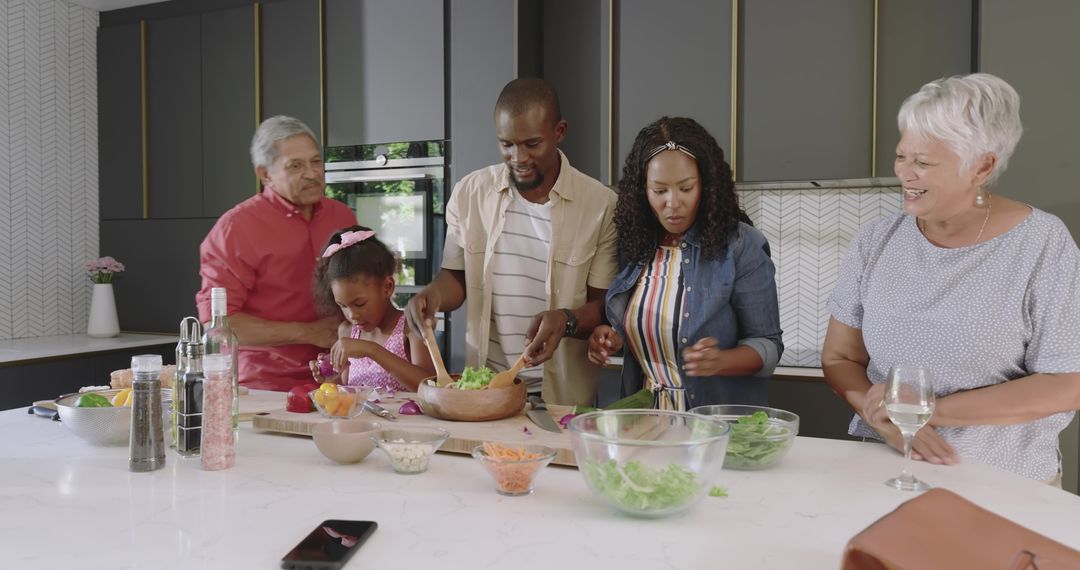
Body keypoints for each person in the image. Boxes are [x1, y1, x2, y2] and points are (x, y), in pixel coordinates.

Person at [822, 73, 1080, 484]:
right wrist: (878, 414)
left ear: (982, 166)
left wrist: (923, 411)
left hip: (1005, 486)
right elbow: (840, 358)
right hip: (885, 473)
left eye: (923, 163)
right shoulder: (876, 240)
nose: (905, 174)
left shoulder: (1042, 244)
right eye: (902, 156)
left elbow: (1068, 383)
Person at [405, 78, 618, 406]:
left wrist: (566, 319)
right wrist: (431, 297)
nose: (518, 157)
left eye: (532, 144)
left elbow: (603, 305)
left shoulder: (600, 205)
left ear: (559, 132)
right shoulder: (470, 193)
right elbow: (454, 278)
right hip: (487, 390)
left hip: (562, 398)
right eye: (506, 144)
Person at [587, 117, 783, 410]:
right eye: (659, 190)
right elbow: (653, 335)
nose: (673, 203)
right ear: (643, 190)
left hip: (716, 429)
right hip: (646, 422)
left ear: (706, 185)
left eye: (686, 188)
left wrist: (722, 361)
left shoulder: (743, 246)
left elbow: (768, 345)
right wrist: (613, 338)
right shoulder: (636, 245)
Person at [196, 115, 356, 391]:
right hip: (264, 386)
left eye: (316, 162)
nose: (312, 173)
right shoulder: (234, 229)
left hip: (342, 377)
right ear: (265, 174)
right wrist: (309, 333)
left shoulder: (341, 215)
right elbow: (218, 325)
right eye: (295, 166)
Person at [310, 226, 435, 392]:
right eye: (343, 306)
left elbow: (430, 385)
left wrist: (372, 350)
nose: (352, 315)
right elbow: (347, 387)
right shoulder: (347, 332)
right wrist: (331, 379)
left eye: (360, 304)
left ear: (387, 287)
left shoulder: (410, 326)